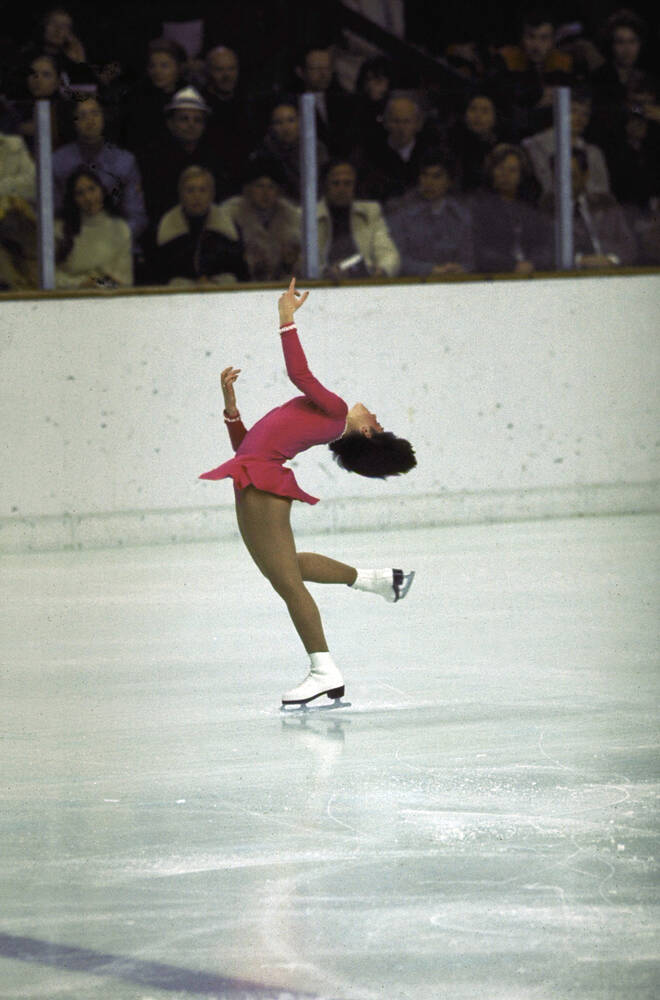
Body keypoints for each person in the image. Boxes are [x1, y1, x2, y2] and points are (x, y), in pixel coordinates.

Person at [199, 278, 416, 708]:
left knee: (285, 581)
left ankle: (323, 671)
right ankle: (378, 581)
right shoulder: (326, 418)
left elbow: (299, 373)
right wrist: (230, 407)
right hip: (256, 476)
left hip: (261, 486)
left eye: (378, 421)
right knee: (287, 570)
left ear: (368, 432)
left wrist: (286, 319)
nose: (375, 413)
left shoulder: (336, 412)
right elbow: (247, 449)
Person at [135, 85, 233, 231]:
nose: (191, 125)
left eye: (197, 120)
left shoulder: (215, 158)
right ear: (170, 123)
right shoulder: (153, 158)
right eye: (184, 119)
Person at [52, 95, 147, 244]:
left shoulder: (125, 161)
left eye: (95, 113)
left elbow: (136, 217)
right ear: (74, 122)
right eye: (82, 115)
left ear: (103, 118)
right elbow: (52, 212)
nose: (90, 120)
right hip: (72, 242)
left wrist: (112, 241)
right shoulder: (57, 161)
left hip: (115, 241)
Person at [541, 148, 637, 268]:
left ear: (585, 175)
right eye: (559, 177)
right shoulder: (546, 208)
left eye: (572, 176)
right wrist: (578, 261)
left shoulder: (605, 203)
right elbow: (542, 252)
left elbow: (629, 246)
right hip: (570, 278)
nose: (565, 183)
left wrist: (611, 259)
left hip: (612, 273)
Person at [385, 150, 474, 276]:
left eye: (436, 176)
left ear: (449, 181)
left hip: (453, 283)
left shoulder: (461, 215)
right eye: (424, 175)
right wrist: (430, 270)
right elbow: (394, 258)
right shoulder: (400, 211)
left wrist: (461, 268)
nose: (429, 182)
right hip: (411, 285)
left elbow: (470, 259)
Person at [154, 165, 247, 286]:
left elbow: (240, 272)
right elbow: (159, 275)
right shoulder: (166, 230)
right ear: (181, 194)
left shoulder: (228, 229)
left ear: (211, 194)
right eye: (190, 190)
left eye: (202, 190)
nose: (196, 196)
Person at [491, 8, 574, 140]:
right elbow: (506, 102)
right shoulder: (506, 59)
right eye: (531, 37)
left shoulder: (563, 63)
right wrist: (540, 94)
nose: (536, 45)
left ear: (553, 41)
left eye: (544, 38)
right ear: (522, 39)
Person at [471, 144, 552, 274]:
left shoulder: (531, 211)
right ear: (491, 171)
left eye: (512, 170)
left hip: (531, 275)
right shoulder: (478, 208)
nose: (505, 175)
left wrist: (533, 263)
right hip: (494, 277)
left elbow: (545, 247)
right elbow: (479, 251)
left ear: (521, 175)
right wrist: (511, 266)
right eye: (500, 169)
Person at [216, 157, 301, 281]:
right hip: (241, 283)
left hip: (280, 284)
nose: (265, 193)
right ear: (248, 189)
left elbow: (300, 260)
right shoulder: (231, 212)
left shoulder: (291, 215)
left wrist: (288, 264)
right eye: (259, 186)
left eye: (271, 187)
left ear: (278, 191)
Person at [317, 159, 399, 278]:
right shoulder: (309, 217)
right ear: (325, 185)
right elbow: (303, 263)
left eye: (347, 183)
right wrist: (325, 273)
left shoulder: (370, 212)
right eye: (336, 183)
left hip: (364, 282)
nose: (342, 189)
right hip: (321, 286)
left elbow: (388, 253)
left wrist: (381, 271)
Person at [522, 89, 610, 196]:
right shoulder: (536, 145)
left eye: (585, 114)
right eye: (573, 111)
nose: (579, 118)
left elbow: (604, 192)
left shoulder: (594, 152)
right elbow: (547, 185)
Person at [354, 92, 440, 202]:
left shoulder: (432, 154)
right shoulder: (369, 155)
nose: (401, 128)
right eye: (395, 121)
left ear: (418, 124)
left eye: (406, 121)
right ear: (385, 123)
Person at [55, 166, 132, 288]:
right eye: (80, 193)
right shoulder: (59, 229)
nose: (89, 198)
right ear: (72, 199)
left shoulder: (120, 229)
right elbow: (50, 277)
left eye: (92, 189)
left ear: (102, 189)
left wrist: (97, 284)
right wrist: (80, 284)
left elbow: (124, 281)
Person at [252, 99, 328, 203]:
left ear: (300, 123)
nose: (286, 128)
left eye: (291, 120)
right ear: (271, 127)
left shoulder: (316, 149)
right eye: (279, 122)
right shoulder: (264, 154)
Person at [121, 38, 187, 153]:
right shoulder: (137, 97)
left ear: (178, 68)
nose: (157, 71)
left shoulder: (189, 96)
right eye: (152, 66)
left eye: (164, 66)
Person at [293, 43, 356, 155]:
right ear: (300, 72)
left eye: (327, 68)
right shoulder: (292, 102)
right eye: (316, 69)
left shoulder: (344, 100)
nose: (323, 74)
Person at [447, 93, 503, 193]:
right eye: (473, 109)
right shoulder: (453, 146)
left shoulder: (502, 148)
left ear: (495, 117)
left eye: (485, 111)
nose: (478, 116)